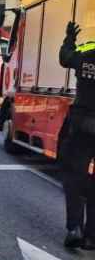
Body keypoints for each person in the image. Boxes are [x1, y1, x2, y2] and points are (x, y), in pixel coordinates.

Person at [59, 21, 95, 249]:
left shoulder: (86, 53)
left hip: (83, 124)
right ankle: (92, 237)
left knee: (74, 177)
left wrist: (69, 39)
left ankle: (74, 228)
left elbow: (65, 57)